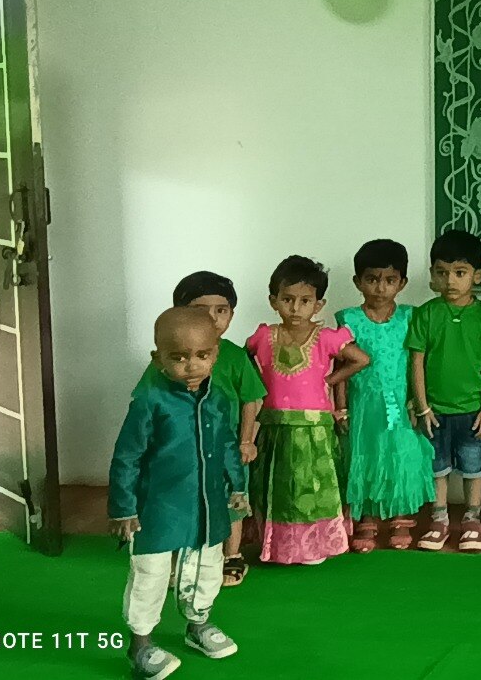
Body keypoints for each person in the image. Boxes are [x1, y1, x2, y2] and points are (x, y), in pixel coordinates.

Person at [110, 308, 247, 679]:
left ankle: (198, 625)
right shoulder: (149, 402)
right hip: (158, 508)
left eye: (202, 355)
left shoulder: (218, 399)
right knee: (151, 573)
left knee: (207, 566)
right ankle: (140, 644)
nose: (192, 365)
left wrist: (238, 486)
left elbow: (228, 444)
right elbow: (126, 458)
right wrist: (124, 509)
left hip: (208, 505)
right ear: (158, 359)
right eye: (179, 357)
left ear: (216, 353)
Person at [132, 271, 267, 587]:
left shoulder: (234, 356)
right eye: (199, 309)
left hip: (225, 449)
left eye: (221, 310)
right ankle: (176, 558)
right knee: (179, 501)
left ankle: (230, 556)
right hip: (179, 449)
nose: (212, 317)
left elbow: (252, 399)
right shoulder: (167, 358)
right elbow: (146, 401)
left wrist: (246, 440)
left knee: (232, 503)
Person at [245, 255, 369, 565]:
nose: (295, 308)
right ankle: (278, 546)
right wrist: (254, 387)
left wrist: (329, 380)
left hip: (315, 430)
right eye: (287, 299)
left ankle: (313, 546)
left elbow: (361, 359)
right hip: (274, 427)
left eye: (305, 301)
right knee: (278, 487)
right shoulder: (264, 337)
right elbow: (242, 362)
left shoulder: (326, 338)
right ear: (273, 301)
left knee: (311, 488)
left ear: (318, 304)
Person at [336, 239, 436, 553]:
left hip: (401, 403)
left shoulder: (410, 317)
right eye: (372, 279)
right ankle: (367, 516)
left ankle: (400, 516)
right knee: (365, 455)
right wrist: (341, 407)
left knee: (399, 455)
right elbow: (339, 366)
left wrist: (417, 402)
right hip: (362, 405)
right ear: (358, 281)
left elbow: (419, 363)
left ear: (402, 283)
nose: (380, 288)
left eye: (390, 280)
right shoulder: (348, 319)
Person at [406, 229, 481, 553]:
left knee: (474, 469)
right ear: (432, 275)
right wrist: (422, 407)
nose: (450, 281)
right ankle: (440, 519)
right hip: (435, 412)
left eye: (460, 273)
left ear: (477, 276)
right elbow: (417, 362)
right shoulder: (426, 314)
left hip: (473, 412)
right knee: (438, 469)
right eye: (442, 273)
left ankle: (472, 519)